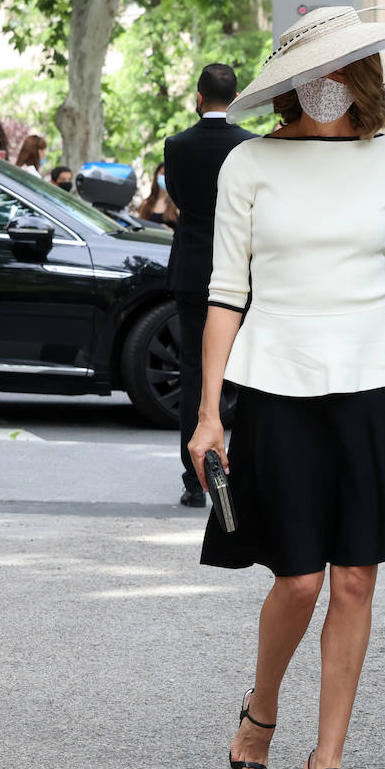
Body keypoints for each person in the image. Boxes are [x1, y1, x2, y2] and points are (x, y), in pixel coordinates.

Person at [188, 7, 385, 769]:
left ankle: (328, 758)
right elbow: (225, 291)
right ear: (291, 82)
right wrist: (208, 414)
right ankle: (261, 703)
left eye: (346, 67)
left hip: (375, 383)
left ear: (365, 75)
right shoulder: (252, 164)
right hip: (276, 384)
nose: (331, 84)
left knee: (356, 579)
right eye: (317, 69)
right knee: (299, 577)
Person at [163, 65, 257, 508]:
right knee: (247, 370)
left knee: (194, 372)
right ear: (235, 97)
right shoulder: (250, 146)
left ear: (198, 98)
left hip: (193, 270)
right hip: (239, 272)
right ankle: (243, 467)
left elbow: (178, 198)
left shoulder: (177, 145)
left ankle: (192, 479)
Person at [137, 161, 179, 227]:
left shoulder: (178, 206)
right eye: (162, 174)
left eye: (168, 175)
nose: (165, 177)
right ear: (156, 175)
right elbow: (138, 228)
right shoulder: (145, 204)